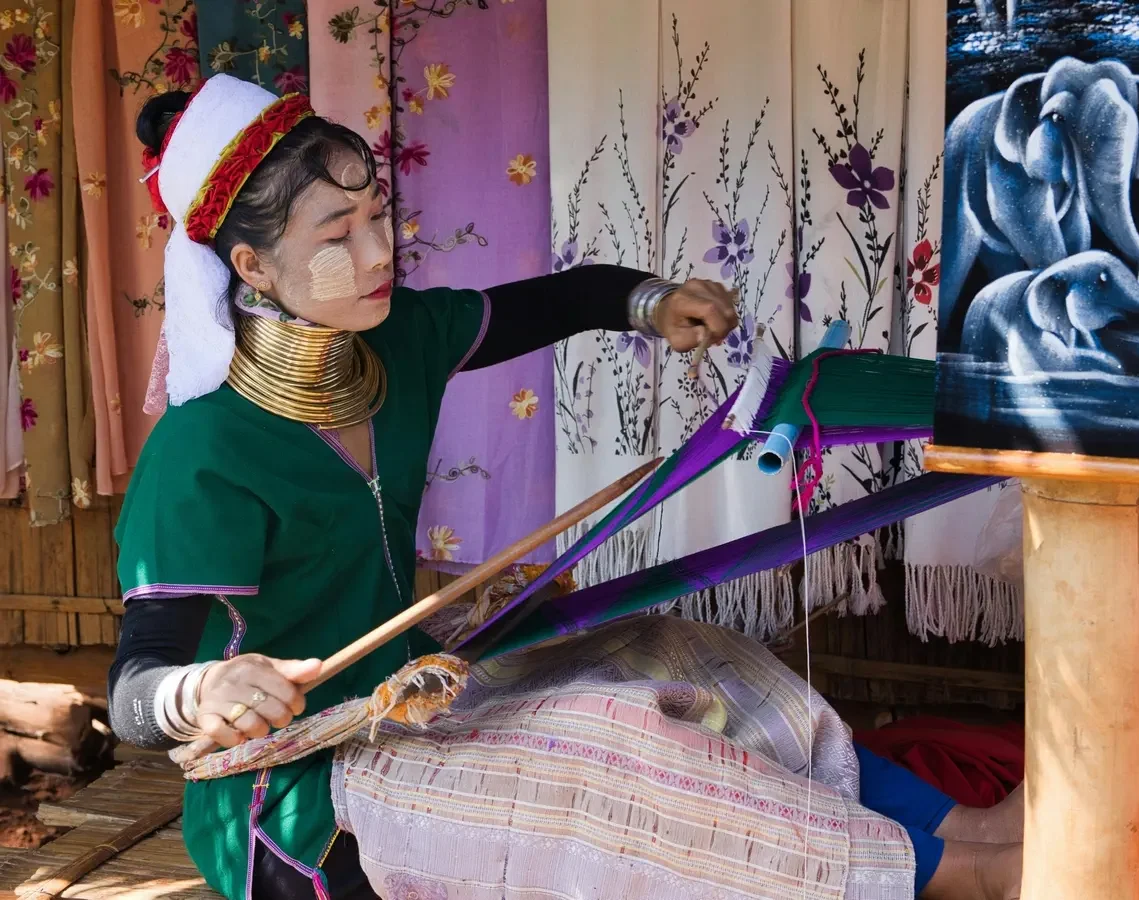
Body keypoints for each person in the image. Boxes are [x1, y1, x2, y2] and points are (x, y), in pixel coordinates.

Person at [108, 75, 1022, 900]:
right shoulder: (204, 452)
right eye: (339, 235)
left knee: (679, 653)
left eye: (380, 216)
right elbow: (134, 691)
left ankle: (958, 830)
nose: (382, 249)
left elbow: (561, 299)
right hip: (297, 789)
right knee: (609, 747)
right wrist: (207, 689)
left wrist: (652, 302)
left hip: (410, 696)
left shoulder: (393, 342)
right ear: (253, 268)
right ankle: (949, 879)